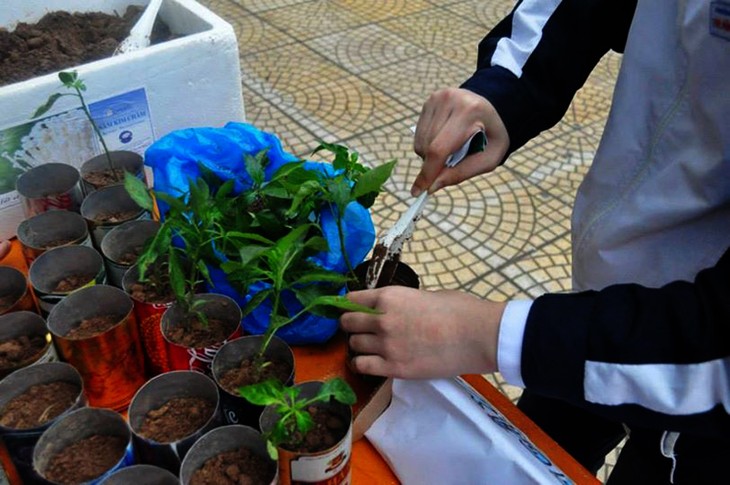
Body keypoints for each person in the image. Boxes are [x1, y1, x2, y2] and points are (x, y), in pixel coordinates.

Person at [340, 0, 730, 483]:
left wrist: (485, 334)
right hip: (596, 306)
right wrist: (503, 91)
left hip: (699, 392)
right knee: (538, 439)